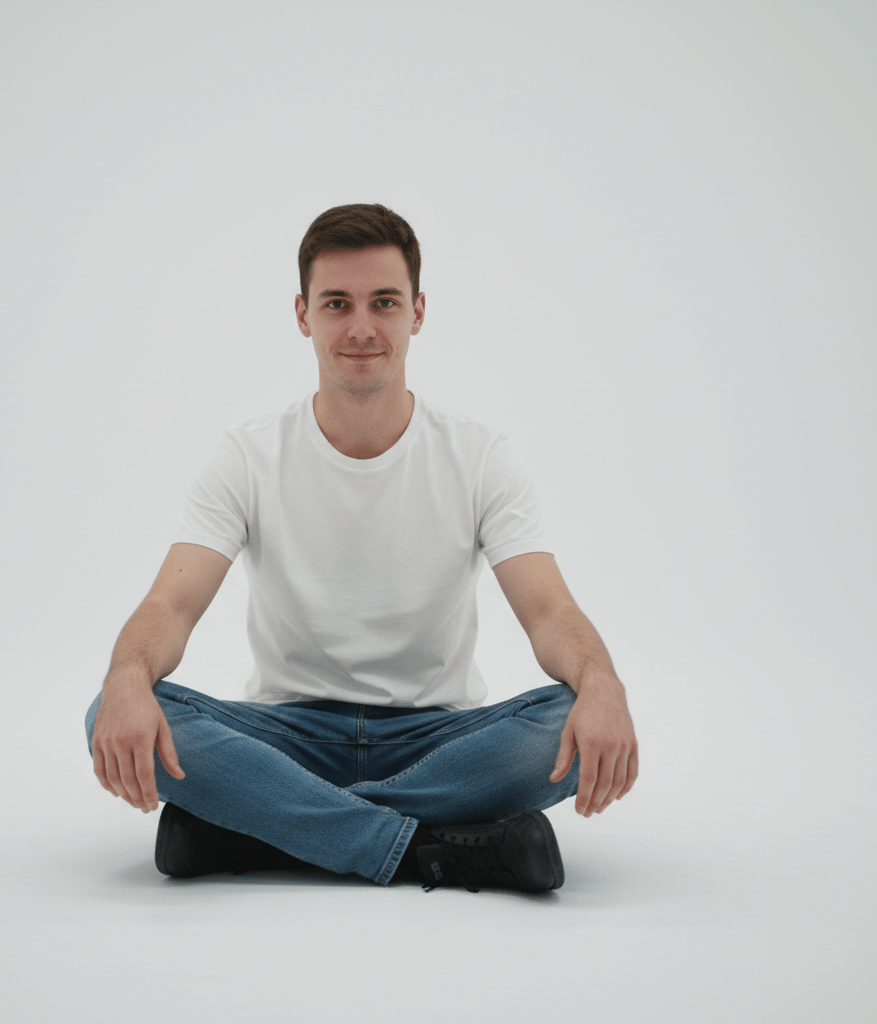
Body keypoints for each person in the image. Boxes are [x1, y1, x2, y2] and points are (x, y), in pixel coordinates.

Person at [85, 203, 638, 893]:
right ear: (302, 314)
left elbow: (550, 613)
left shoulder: (479, 455)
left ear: (418, 311)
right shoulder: (248, 455)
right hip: (286, 736)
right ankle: (426, 849)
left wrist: (604, 685)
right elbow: (170, 604)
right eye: (337, 304)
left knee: (570, 722)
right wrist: (129, 681)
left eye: (384, 302)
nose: (361, 328)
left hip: (437, 739)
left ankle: (261, 826)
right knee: (113, 704)